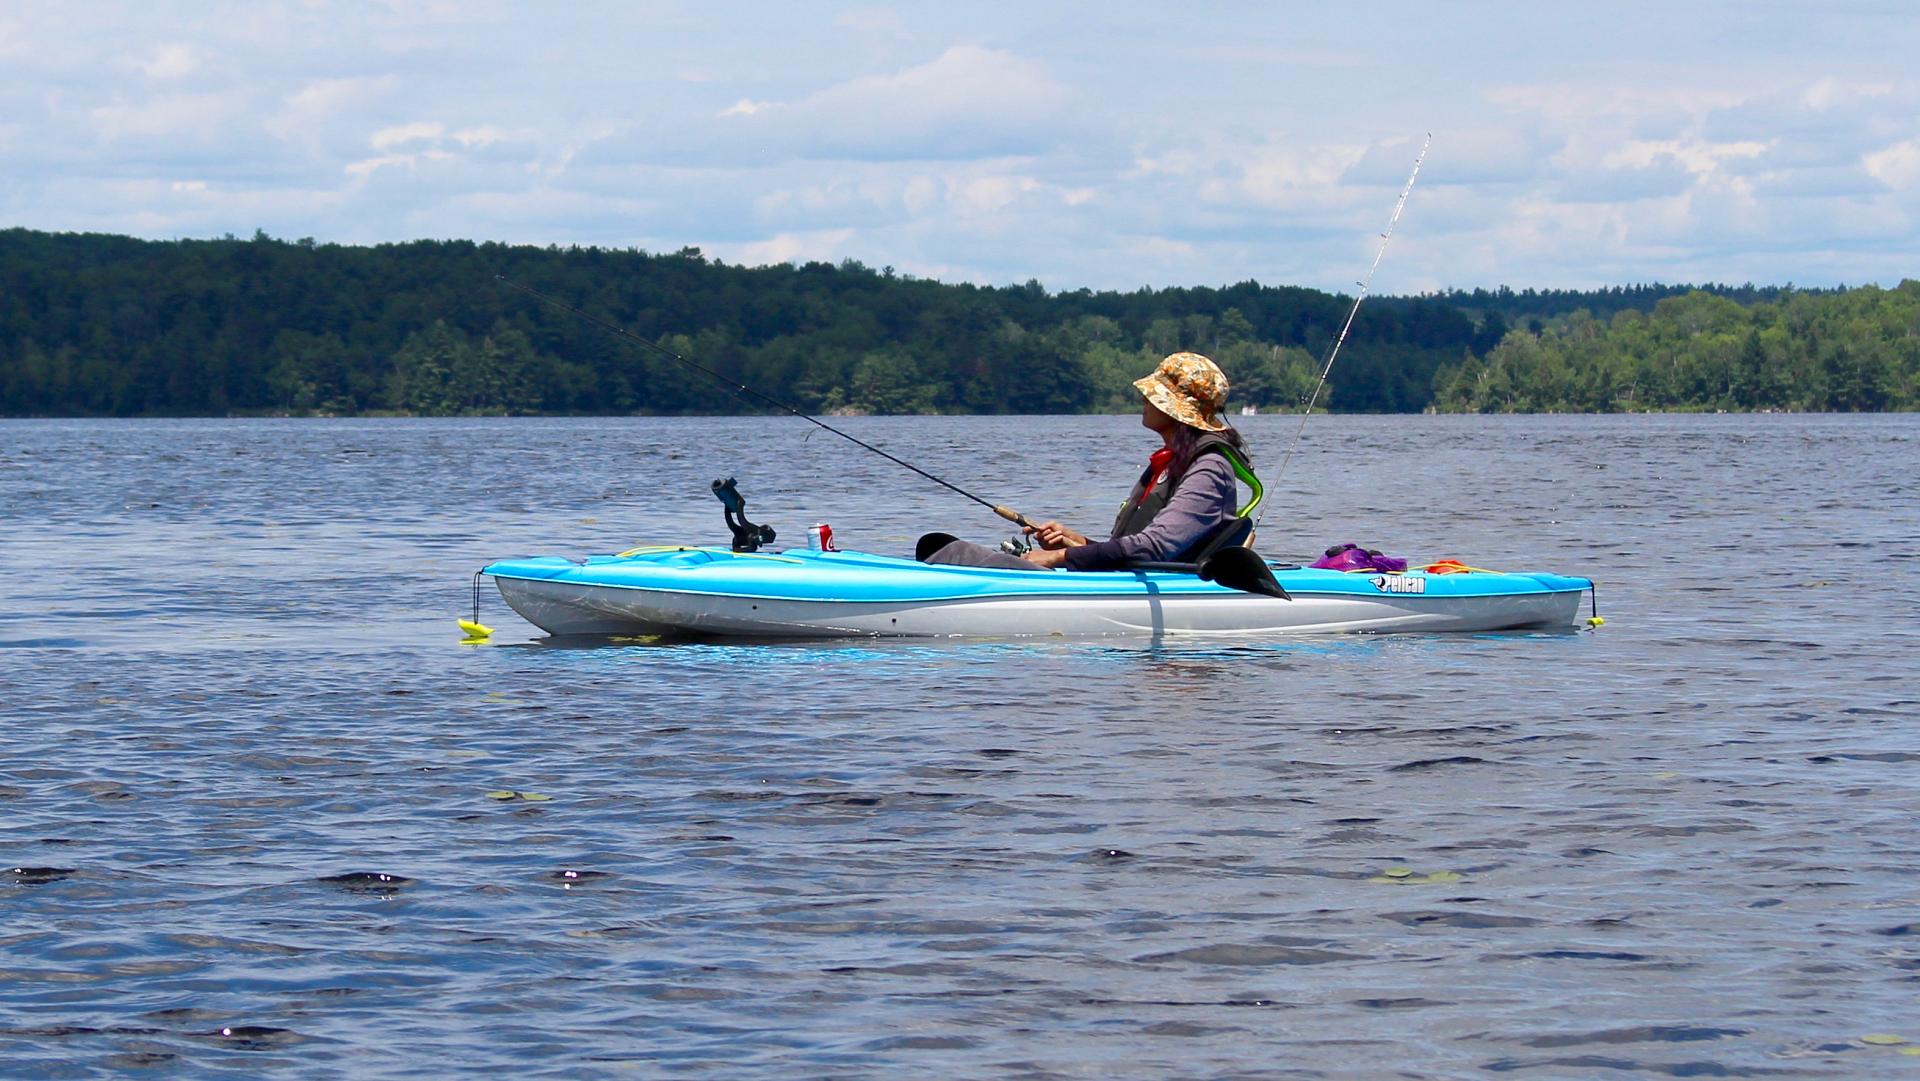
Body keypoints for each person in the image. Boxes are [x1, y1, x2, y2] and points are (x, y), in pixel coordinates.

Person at [920, 352, 1257, 571]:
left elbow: (1155, 547)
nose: (1143, 399)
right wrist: (1076, 541)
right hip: (1128, 579)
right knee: (947, 549)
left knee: (957, 555)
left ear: (1177, 411)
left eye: (1154, 396)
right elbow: (1132, 550)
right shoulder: (1170, 462)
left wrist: (1060, 555)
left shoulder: (1208, 468)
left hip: (1156, 588)